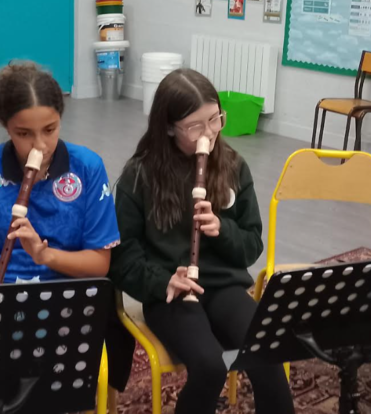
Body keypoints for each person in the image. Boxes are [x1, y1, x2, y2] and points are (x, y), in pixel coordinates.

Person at [109, 68, 294, 414]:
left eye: (215, 119)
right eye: (196, 126)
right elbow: (123, 260)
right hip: (170, 293)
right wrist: (165, 280)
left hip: (224, 287)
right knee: (210, 365)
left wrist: (221, 229)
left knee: (267, 351)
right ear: (168, 127)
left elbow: (252, 245)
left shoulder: (233, 166)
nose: (209, 133)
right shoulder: (140, 176)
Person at [0, 62, 120, 287]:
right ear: (5, 125)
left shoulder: (88, 168)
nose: (40, 145)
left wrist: (45, 256)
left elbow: (99, 263)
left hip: (67, 300)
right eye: (24, 133)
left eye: (50, 130)